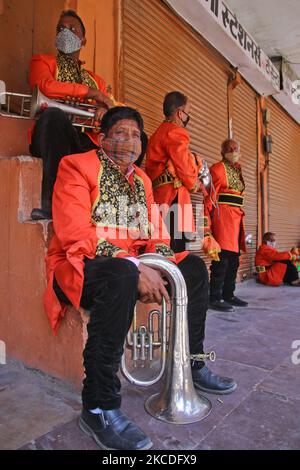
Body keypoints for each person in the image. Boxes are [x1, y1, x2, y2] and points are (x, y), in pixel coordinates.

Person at [44, 106, 237, 451]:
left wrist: (161, 267)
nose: (129, 140)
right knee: (120, 275)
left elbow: (158, 235)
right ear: (102, 139)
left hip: (130, 264)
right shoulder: (76, 166)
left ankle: (192, 364)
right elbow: (75, 235)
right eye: (120, 132)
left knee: (190, 268)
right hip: (81, 265)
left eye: (135, 134)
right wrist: (135, 266)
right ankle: (99, 406)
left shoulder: (144, 180)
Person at [29, 9, 114, 220]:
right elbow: (47, 86)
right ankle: (51, 205)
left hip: (84, 139)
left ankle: (112, 210)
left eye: (72, 29)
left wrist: (105, 111)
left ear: (83, 40)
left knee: (133, 137)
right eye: (60, 29)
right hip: (52, 136)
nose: (65, 32)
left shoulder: (96, 80)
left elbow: (107, 106)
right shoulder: (43, 62)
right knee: (54, 117)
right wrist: (90, 93)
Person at [146, 91, 220, 260]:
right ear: (180, 113)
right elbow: (185, 169)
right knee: (177, 252)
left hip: (159, 198)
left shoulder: (157, 134)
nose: (188, 116)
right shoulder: (176, 132)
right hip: (174, 198)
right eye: (188, 112)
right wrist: (195, 183)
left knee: (161, 246)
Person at [204, 139, 248, 312]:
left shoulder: (237, 169)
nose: (234, 151)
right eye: (230, 149)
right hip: (223, 218)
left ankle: (228, 294)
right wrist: (207, 224)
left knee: (234, 260)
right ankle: (214, 297)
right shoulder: (217, 169)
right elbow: (208, 196)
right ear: (222, 151)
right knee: (221, 259)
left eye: (236, 148)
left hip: (237, 218)